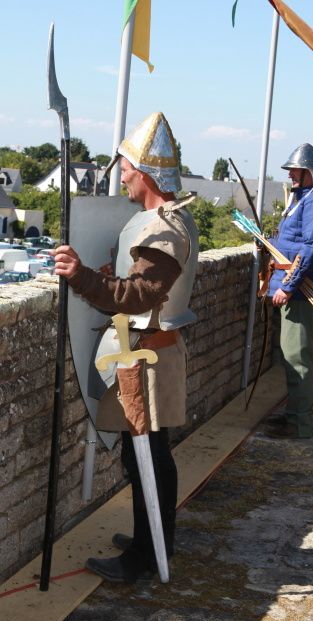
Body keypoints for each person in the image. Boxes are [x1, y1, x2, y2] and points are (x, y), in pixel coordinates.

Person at [53, 111, 198, 584]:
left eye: (128, 170)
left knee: (150, 459)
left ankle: (146, 554)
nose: (123, 177)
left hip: (148, 357)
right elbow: (136, 287)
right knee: (146, 458)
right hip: (144, 350)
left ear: (147, 174)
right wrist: (99, 277)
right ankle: (150, 538)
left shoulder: (163, 230)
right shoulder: (164, 220)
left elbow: (137, 297)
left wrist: (81, 277)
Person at [265, 143, 313, 438]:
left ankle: (299, 424)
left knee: (296, 355)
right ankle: (294, 418)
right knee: (291, 352)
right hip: (296, 286)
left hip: (300, 289)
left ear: (311, 171)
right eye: (290, 171)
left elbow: (310, 246)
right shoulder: (305, 196)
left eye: (297, 171)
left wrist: (288, 285)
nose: (291, 176)